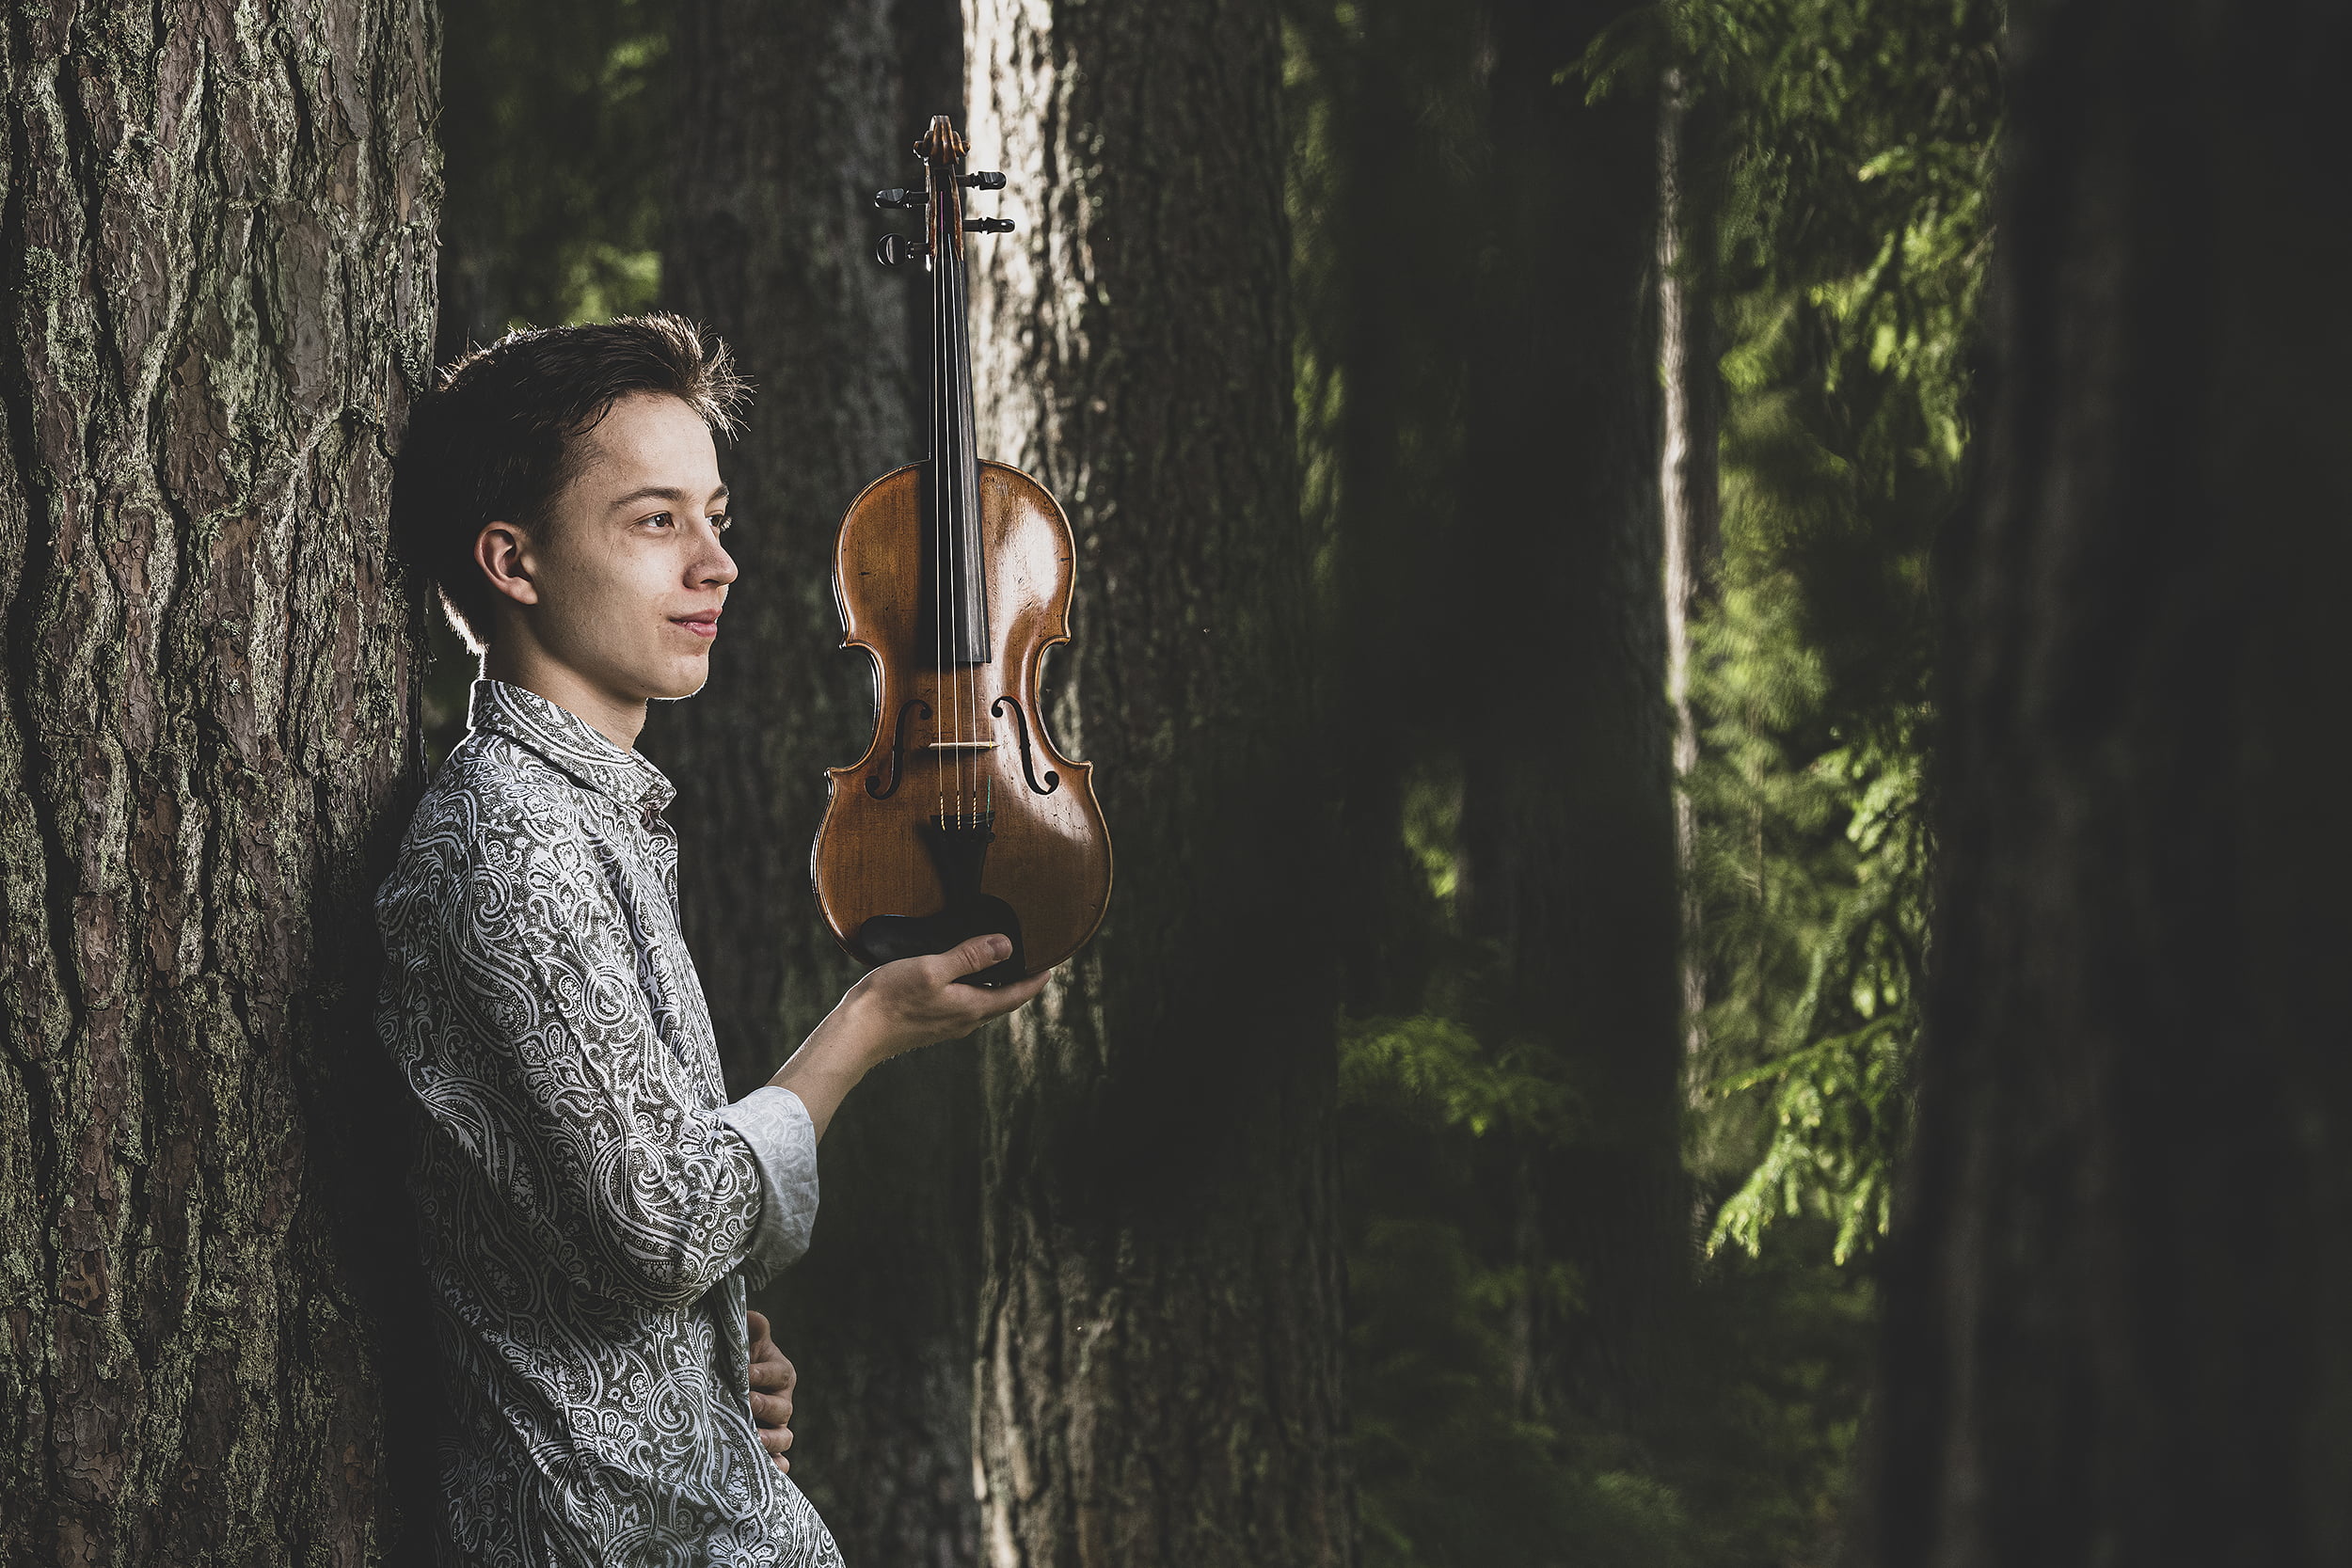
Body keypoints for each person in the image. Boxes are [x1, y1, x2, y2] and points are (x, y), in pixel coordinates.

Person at [375, 313, 1045, 1567]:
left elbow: (620, 1233)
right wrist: (859, 1032)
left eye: (716, 514)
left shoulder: (595, 819)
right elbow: (659, 1221)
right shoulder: (508, 849)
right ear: (513, 562)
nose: (720, 563)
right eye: (655, 520)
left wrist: (718, 1360)